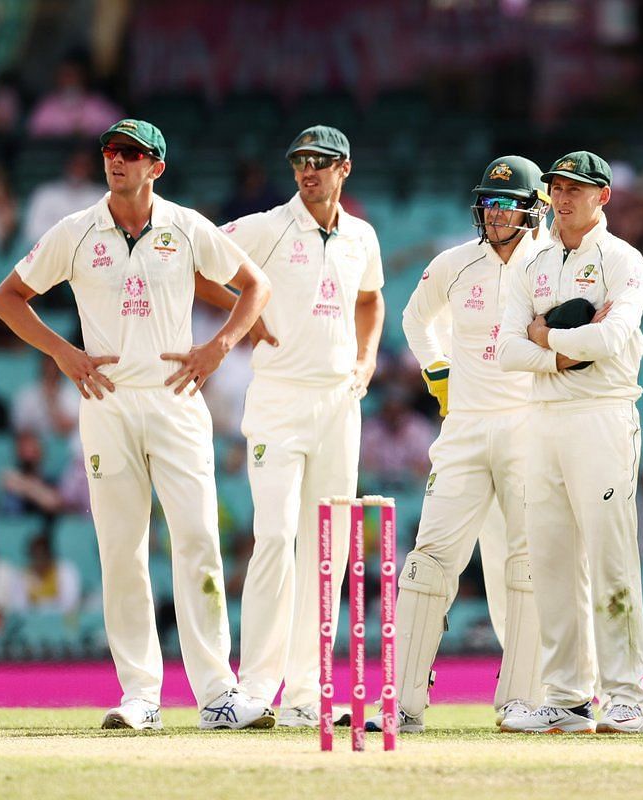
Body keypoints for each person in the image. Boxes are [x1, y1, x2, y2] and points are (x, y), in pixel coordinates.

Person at [0, 118, 274, 731]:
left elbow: (256, 285)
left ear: (157, 167)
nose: (116, 161)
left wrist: (219, 347)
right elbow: (7, 298)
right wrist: (63, 352)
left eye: (131, 154)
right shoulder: (75, 230)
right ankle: (141, 695)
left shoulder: (187, 226)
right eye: (110, 151)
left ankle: (217, 695)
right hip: (108, 404)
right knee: (122, 551)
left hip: (175, 401)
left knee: (197, 542)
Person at [202, 125, 385, 727]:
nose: (308, 170)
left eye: (321, 162)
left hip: (339, 403)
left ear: (345, 169)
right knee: (276, 538)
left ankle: (308, 694)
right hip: (279, 399)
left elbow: (370, 299)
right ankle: (255, 688)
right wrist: (244, 318)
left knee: (327, 551)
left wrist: (366, 360)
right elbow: (198, 262)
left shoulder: (362, 235)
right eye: (300, 161)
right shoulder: (265, 226)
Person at [388, 155, 551, 732]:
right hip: (464, 427)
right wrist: (438, 372)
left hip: (530, 425)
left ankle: (521, 701)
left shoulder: (552, 267)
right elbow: (413, 317)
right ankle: (402, 702)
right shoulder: (455, 263)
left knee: (529, 564)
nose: (494, 213)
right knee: (430, 560)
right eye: (488, 202)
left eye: (506, 203)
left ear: (533, 210)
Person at [497, 151, 643, 734]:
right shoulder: (532, 259)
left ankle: (627, 695)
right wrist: (565, 347)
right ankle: (565, 697)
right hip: (542, 415)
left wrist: (544, 337)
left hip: (602, 414)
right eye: (557, 187)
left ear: (602, 196)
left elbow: (613, 339)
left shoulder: (622, 260)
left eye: (577, 189)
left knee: (612, 556)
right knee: (551, 559)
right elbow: (507, 349)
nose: (563, 198)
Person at [22, 151, 105, 245]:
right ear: (67, 165)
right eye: (76, 164)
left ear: (92, 168)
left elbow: (104, 232)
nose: (79, 169)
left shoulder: (101, 195)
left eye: (85, 165)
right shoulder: (45, 193)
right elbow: (32, 232)